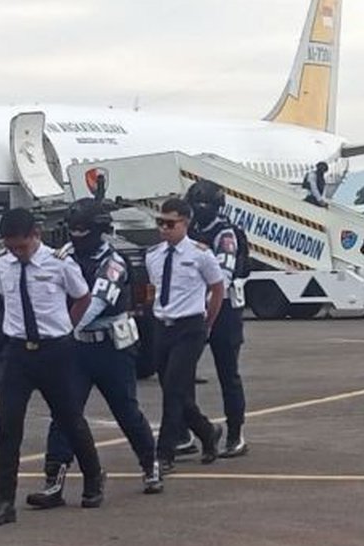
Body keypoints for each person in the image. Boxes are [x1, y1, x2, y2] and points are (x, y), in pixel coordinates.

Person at [26, 200, 162, 508]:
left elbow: (95, 303)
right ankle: (54, 480)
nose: (77, 236)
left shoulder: (113, 263)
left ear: (98, 229)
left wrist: (60, 329)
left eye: (82, 230)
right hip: (75, 346)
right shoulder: (63, 257)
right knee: (64, 413)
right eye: (73, 230)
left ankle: (149, 464)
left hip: (110, 347)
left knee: (125, 410)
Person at [0, 208, 105, 527]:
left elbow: (82, 296)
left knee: (69, 419)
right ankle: (4, 502)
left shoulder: (59, 263)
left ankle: (93, 477)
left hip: (54, 351)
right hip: (17, 353)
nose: (17, 253)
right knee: (8, 427)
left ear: (35, 235)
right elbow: (6, 298)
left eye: (21, 247)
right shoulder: (3, 263)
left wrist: (67, 327)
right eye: (11, 247)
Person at [147, 197, 226, 469]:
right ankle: (207, 431)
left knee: (173, 391)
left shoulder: (200, 254)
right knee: (175, 390)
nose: (164, 229)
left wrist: (208, 323)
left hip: (189, 327)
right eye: (160, 223)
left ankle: (164, 453)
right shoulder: (153, 255)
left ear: (185, 223)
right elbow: (154, 290)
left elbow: (217, 289)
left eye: (170, 224)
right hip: (163, 326)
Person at [182, 179, 249, 459]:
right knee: (179, 374)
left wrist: (207, 311)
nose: (198, 210)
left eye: (202, 204)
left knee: (227, 373)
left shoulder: (226, 234)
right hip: (192, 309)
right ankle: (187, 431)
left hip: (223, 310)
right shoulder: (190, 231)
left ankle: (235, 433)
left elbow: (223, 276)